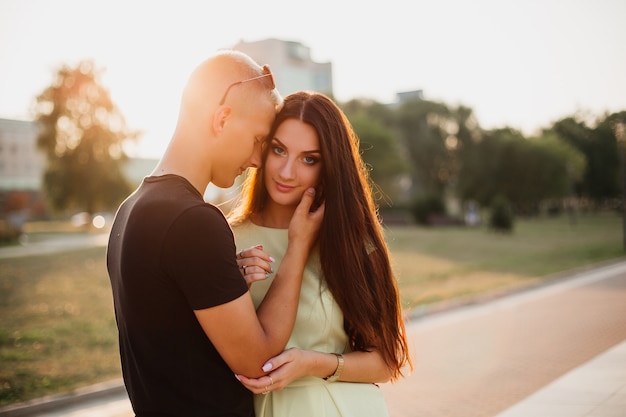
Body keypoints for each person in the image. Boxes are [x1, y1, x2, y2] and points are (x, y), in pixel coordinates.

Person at [106, 51, 324, 417]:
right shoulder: (193, 221)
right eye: (258, 139)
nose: (257, 160)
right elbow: (261, 363)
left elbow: (173, 330)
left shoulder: (129, 211)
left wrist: (224, 277)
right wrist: (298, 247)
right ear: (223, 119)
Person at [227, 91, 413, 416]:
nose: (286, 172)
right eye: (279, 150)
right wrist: (232, 285)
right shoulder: (225, 238)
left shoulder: (351, 242)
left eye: (309, 159)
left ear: (329, 168)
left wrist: (313, 363)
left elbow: (386, 361)